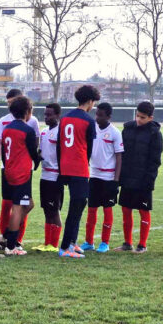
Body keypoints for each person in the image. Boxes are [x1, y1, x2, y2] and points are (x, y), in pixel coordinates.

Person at [114, 101, 163, 254]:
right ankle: (127, 243)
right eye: (137, 116)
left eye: (142, 117)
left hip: (143, 180)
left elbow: (155, 160)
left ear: (150, 117)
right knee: (126, 210)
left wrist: (150, 180)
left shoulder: (155, 133)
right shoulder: (127, 129)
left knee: (143, 211)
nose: (139, 120)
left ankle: (142, 245)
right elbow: (120, 154)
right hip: (128, 177)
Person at [0, 88, 41, 250]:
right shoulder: (27, 129)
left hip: (9, 171)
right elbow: (33, 152)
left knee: (28, 205)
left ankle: (5, 236)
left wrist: (6, 167)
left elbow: (5, 153)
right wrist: (37, 162)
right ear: (28, 112)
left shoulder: (8, 128)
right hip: (21, 173)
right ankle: (11, 246)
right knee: (18, 207)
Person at [57, 85, 99, 258]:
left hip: (65, 166)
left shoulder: (65, 118)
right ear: (90, 101)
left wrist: (62, 168)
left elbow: (59, 145)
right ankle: (65, 247)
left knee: (79, 204)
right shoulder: (89, 121)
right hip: (79, 168)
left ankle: (72, 243)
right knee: (77, 205)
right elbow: (89, 148)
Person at [82, 103, 123, 253]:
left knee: (107, 210)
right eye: (96, 114)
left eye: (100, 115)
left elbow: (119, 157)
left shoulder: (115, 133)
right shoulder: (92, 128)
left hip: (108, 177)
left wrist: (116, 181)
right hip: (94, 176)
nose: (97, 117)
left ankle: (105, 242)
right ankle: (89, 241)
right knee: (91, 210)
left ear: (108, 117)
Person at [31, 103, 63, 252]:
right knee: (46, 210)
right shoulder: (43, 132)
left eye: (49, 115)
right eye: (45, 115)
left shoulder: (61, 132)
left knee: (54, 210)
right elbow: (41, 153)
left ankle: (54, 244)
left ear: (57, 115)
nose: (46, 117)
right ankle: (47, 242)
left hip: (55, 176)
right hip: (44, 176)